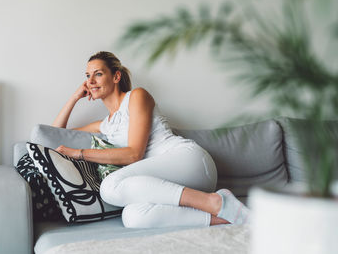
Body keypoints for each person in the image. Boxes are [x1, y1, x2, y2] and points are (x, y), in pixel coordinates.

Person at [52, 51, 249, 228]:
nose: (91, 81)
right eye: (87, 76)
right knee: (133, 217)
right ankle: (226, 215)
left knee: (110, 187)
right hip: (169, 184)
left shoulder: (137, 96)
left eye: (98, 74)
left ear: (116, 77)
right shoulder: (104, 125)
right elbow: (53, 135)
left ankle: (213, 203)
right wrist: (74, 97)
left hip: (189, 162)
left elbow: (134, 155)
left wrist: (80, 154)